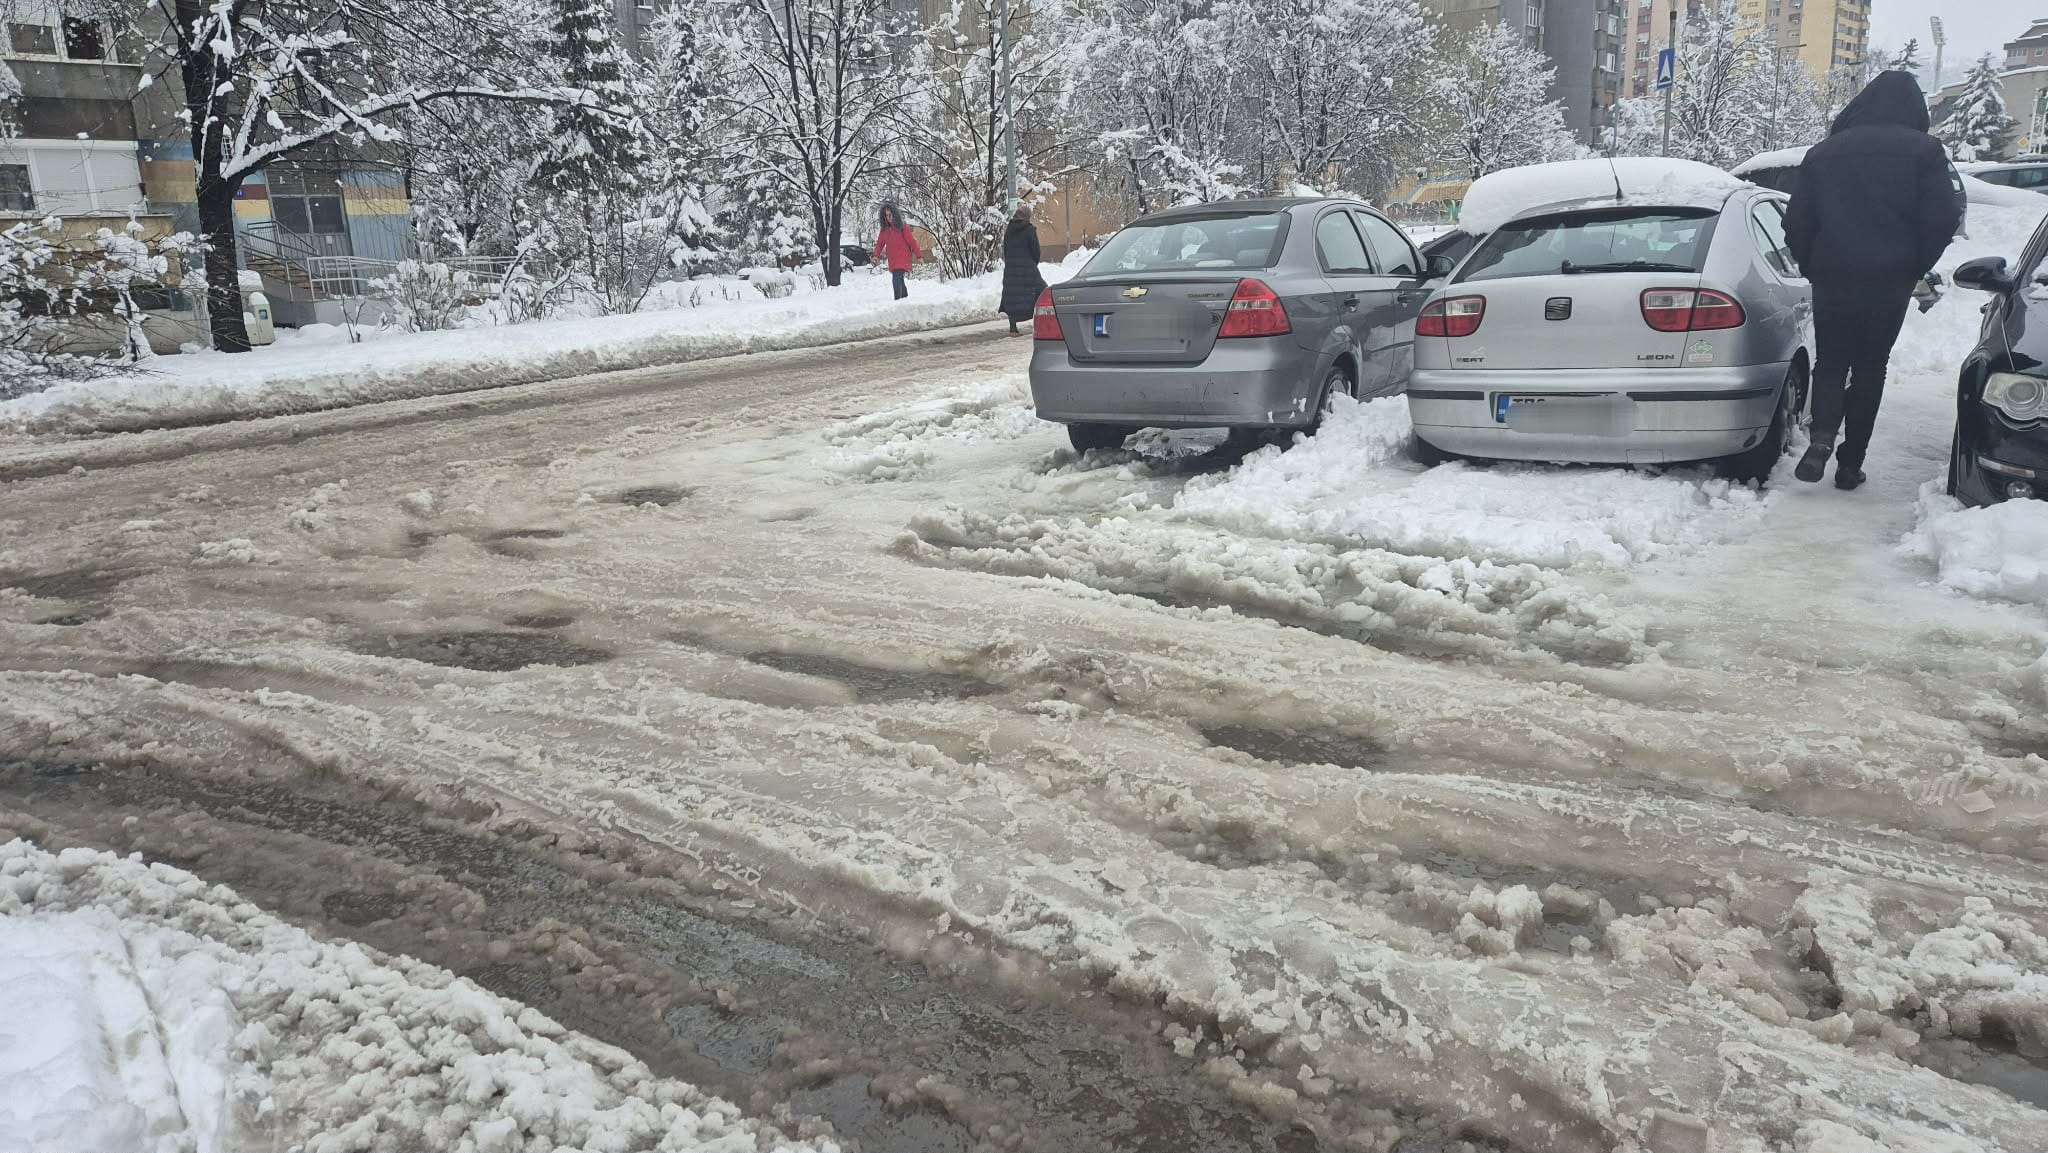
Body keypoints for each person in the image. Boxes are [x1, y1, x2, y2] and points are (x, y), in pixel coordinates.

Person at [1784, 70, 1963, 491]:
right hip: (1889, 281)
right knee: (1870, 368)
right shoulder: (1926, 151)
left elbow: (1796, 223)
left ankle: (1822, 437)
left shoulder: (1824, 153)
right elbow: (1944, 217)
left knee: (1830, 364)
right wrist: (1914, 263)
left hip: (1834, 277)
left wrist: (1815, 264)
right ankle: (1851, 465)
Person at [998, 204, 1046, 336]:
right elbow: (1035, 250)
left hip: (1011, 269)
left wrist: (1010, 263)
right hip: (1027, 268)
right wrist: (1032, 263)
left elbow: (1005, 249)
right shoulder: (1029, 229)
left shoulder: (1009, 229)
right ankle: (1041, 323)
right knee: (1042, 292)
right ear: (1027, 217)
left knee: (1012, 296)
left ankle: (1013, 329)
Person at [873, 204, 920, 300]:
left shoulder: (903, 227)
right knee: (899, 279)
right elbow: (879, 244)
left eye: (890, 215)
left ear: (894, 214)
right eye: (886, 215)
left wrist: (919, 256)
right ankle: (905, 298)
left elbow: (912, 242)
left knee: (896, 279)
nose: (888, 217)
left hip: (903, 258)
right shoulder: (884, 231)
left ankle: (897, 302)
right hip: (893, 260)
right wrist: (876, 255)